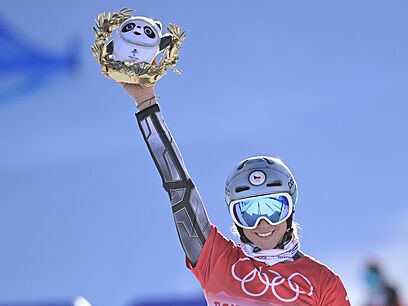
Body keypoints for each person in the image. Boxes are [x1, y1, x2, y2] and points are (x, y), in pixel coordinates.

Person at [121, 82, 351, 306]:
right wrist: (146, 103)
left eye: (273, 207)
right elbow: (178, 188)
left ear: (290, 209)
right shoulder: (215, 260)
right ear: (235, 217)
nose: (263, 223)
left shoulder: (324, 283)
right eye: (248, 212)